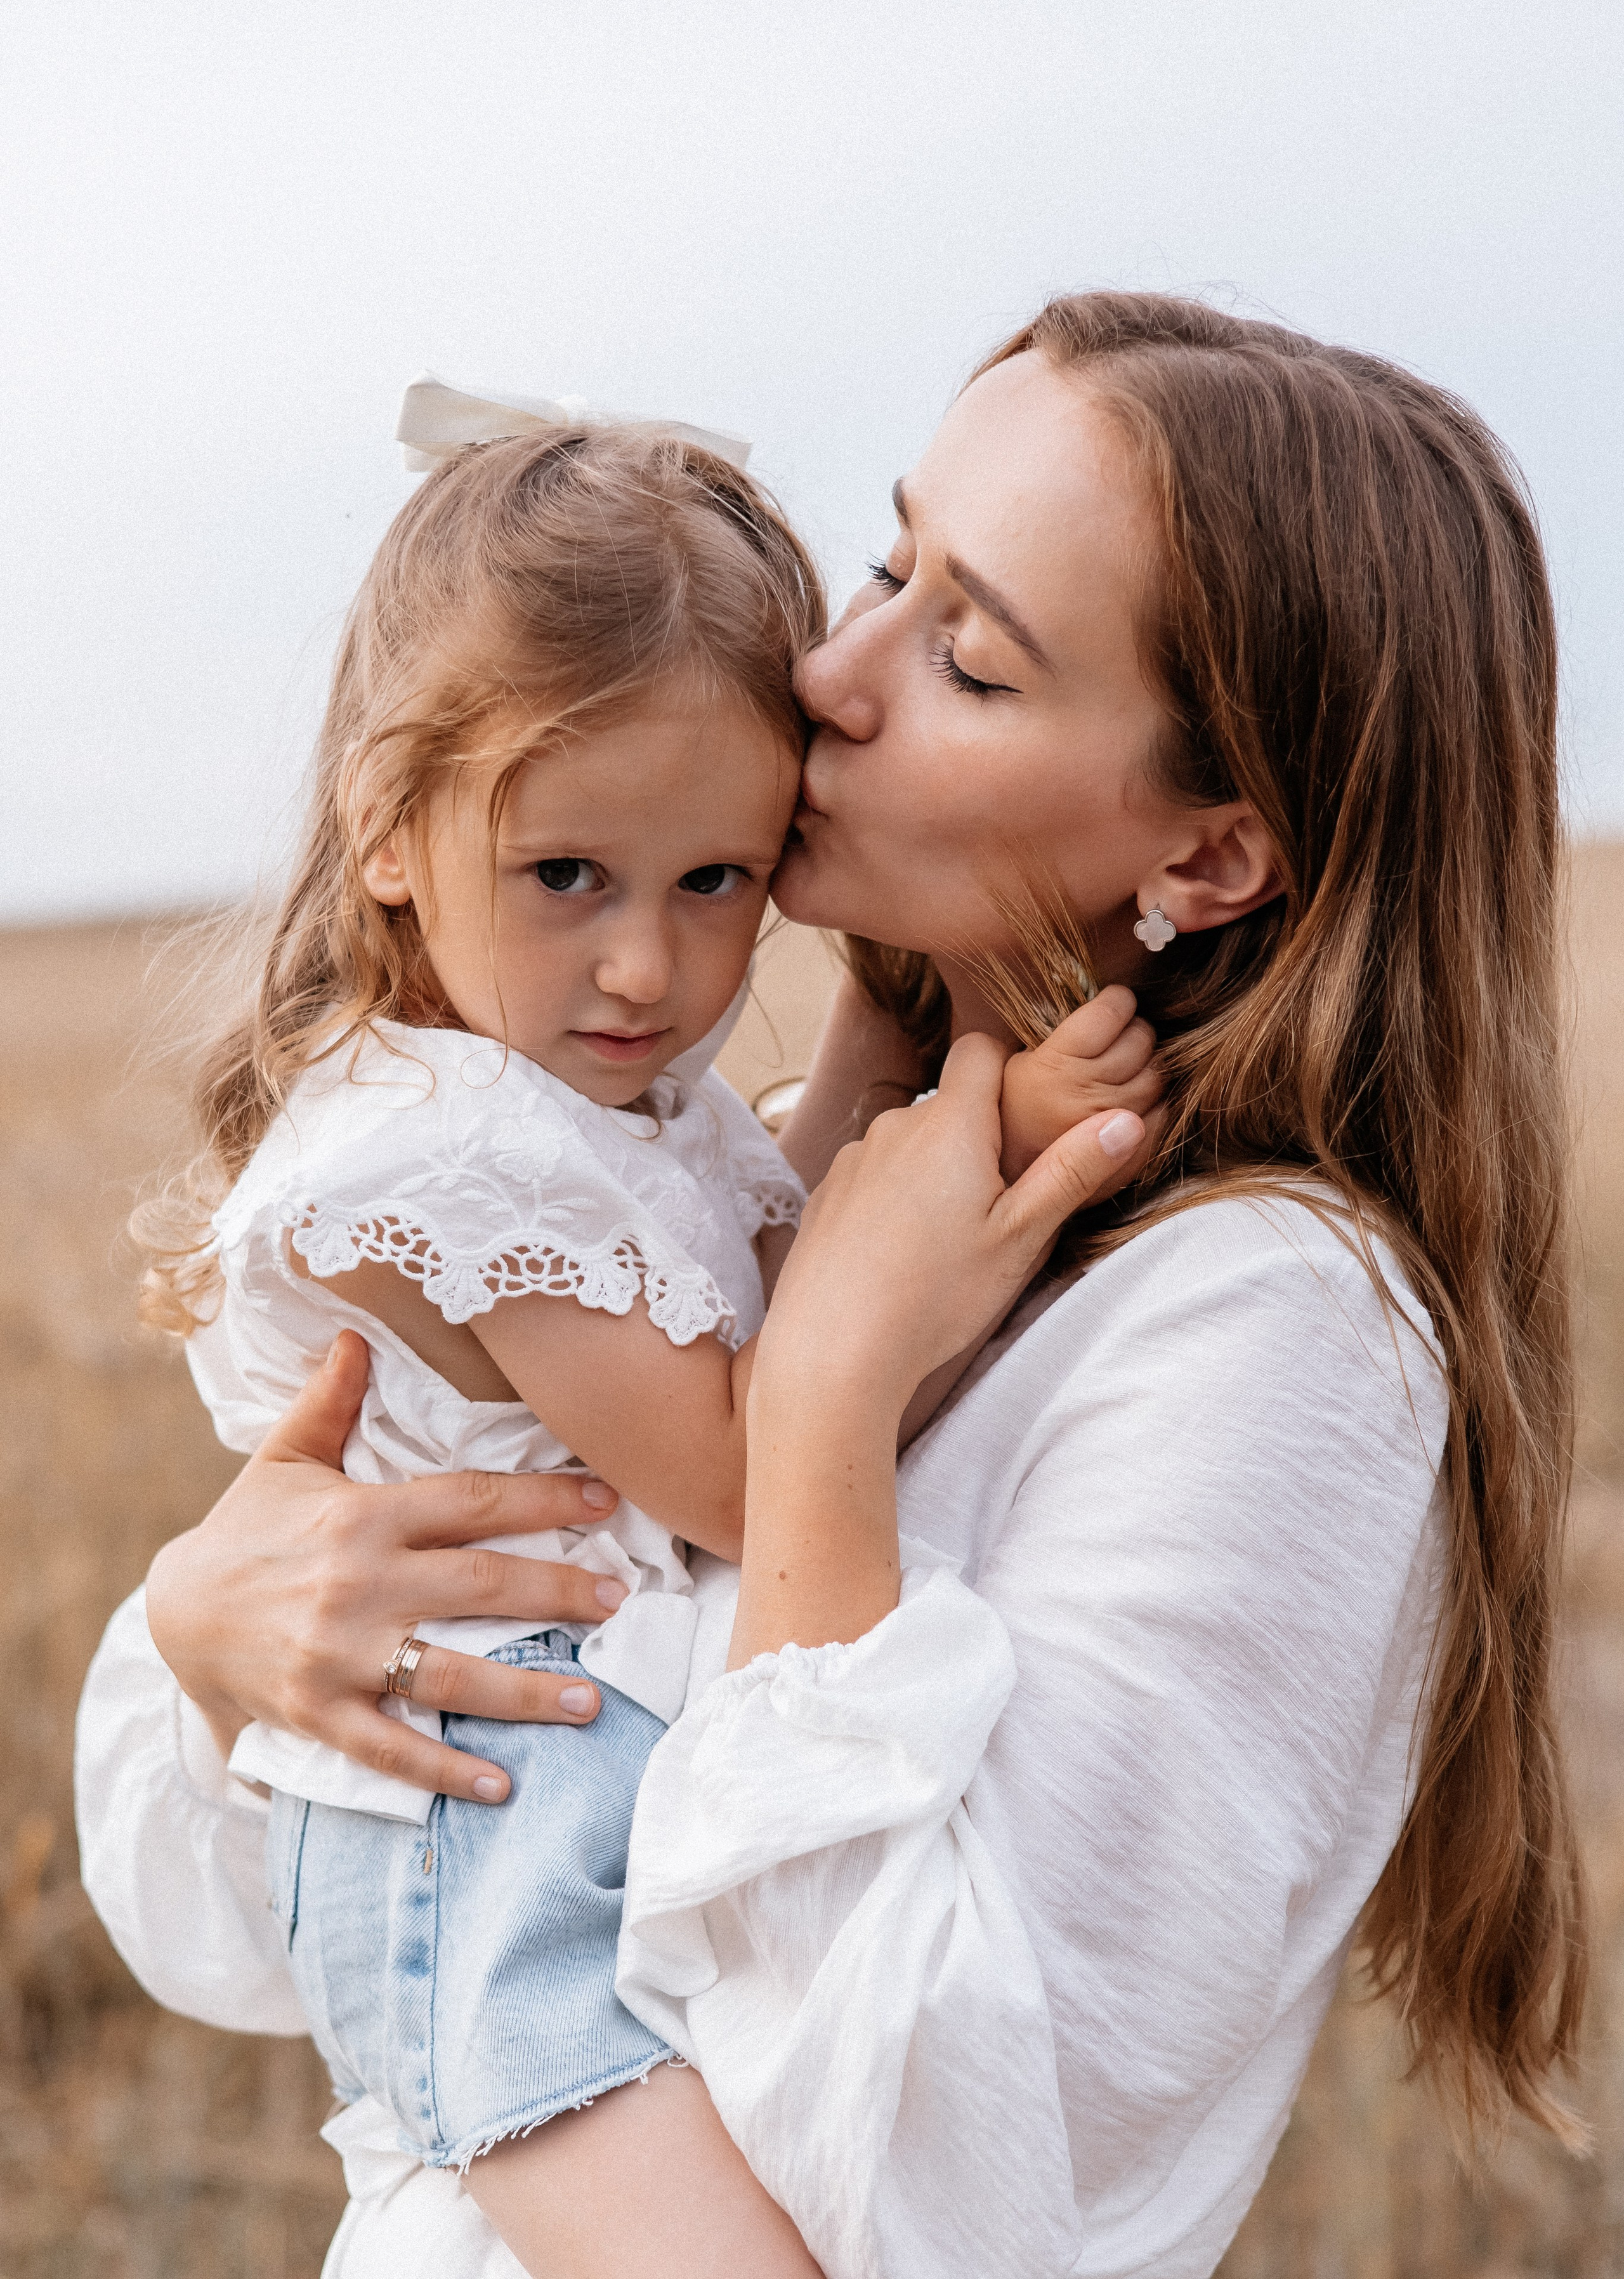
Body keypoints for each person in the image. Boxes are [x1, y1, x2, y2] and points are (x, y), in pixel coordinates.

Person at [77, 294, 1583, 2279]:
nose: (831, 673)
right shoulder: (765, 1171)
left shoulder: (1278, 1338)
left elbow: (947, 2193)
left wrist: (820, 1419)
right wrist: (211, 1630)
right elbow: (213, 1926)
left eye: (964, 652)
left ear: (1212, 858)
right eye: (887, 562)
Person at [115, 411, 1157, 2276]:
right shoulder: (459, 1153)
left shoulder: (587, 1089)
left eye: (717, 883)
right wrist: (993, 1159)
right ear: (386, 834)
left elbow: (769, 1244)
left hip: (570, 1773)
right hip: (488, 1825)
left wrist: (909, 1074)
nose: (649, 974)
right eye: (569, 878)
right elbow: (738, 1450)